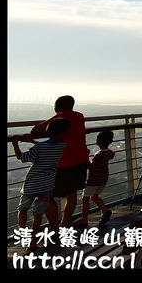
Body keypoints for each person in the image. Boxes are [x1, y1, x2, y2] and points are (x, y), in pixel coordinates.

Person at [31, 95, 89, 227]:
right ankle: (64, 223)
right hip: (80, 159)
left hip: (63, 162)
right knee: (72, 193)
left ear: (57, 107)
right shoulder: (79, 116)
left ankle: (54, 227)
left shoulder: (60, 117)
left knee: (48, 196)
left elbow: (35, 130)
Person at [12, 118, 69, 249]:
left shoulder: (38, 148)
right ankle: (32, 242)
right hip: (47, 186)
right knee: (38, 214)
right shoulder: (62, 146)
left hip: (31, 184)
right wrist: (32, 141)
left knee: (23, 208)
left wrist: (15, 144)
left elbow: (21, 157)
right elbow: (48, 147)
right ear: (61, 133)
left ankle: (22, 232)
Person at [80, 129, 115, 226]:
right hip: (103, 179)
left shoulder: (98, 155)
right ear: (111, 142)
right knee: (94, 196)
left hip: (94, 180)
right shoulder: (110, 153)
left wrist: (85, 157)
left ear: (97, 143)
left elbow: (91, 167)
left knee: (85, 198)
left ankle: (84, 220)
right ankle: (104, 210)